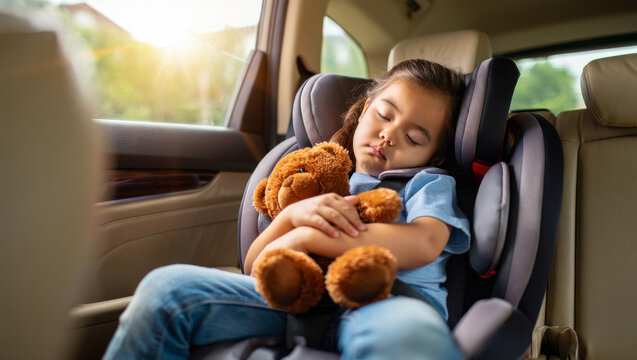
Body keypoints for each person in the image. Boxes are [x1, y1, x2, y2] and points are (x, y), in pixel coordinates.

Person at [103, 59, 470, 360]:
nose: (389, 135)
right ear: (363, 111)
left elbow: (425, 242)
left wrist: (311, 236)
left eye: (414, 137)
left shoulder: (428, 182)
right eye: (385, 116)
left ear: (433, 154)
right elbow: (254, 267)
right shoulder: (320, 174)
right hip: (299, 300)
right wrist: (293, 218)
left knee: (411, 338)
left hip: (388, 302)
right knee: (165, 288)